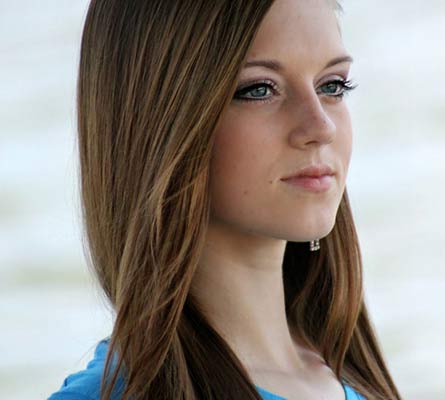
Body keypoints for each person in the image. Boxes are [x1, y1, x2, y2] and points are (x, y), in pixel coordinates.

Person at [48, 0, 402, 399]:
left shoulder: (350, 371)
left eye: (332, 85)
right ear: (162, 118)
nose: (321, 126)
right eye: (259, 89)